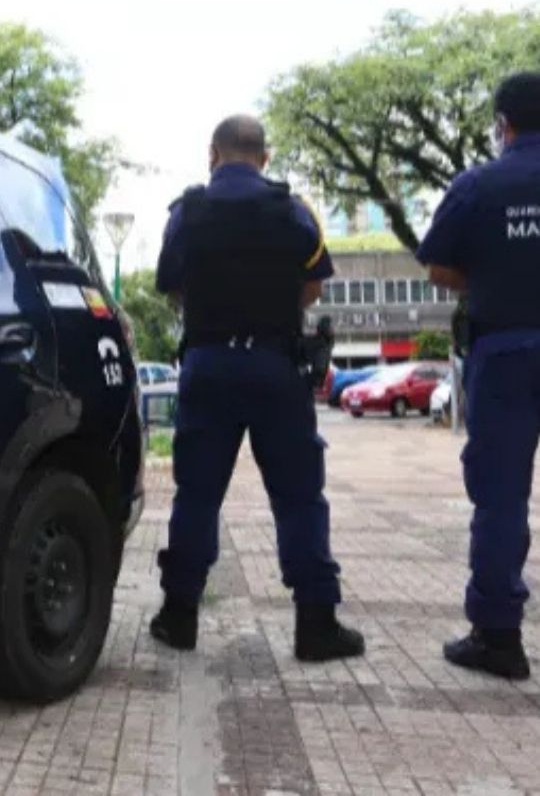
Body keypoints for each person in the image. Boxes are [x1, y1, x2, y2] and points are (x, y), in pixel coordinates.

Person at [149, 115, 364, 660]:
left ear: (212, 154)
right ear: (265, 159)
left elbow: (171, 285)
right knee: (299, 497)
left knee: (197, 494)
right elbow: (312, 285)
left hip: (208, 365)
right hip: (276, 367)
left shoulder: (186, 213)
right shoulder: (294, 211)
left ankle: (179, 615)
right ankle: (316, 624)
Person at [417, 71, 540, 681]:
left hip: (507, 351)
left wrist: (492, 275)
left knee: (500, 495)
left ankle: (498, 637)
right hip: (505, 348)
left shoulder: (479, 185)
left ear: (502, 125)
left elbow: (438, 266)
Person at [305, 315, 335, 393]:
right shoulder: (319, 342)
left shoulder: (328, 342)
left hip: (321, 376)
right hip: (317, 377)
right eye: (330, 326)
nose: (332, 329)